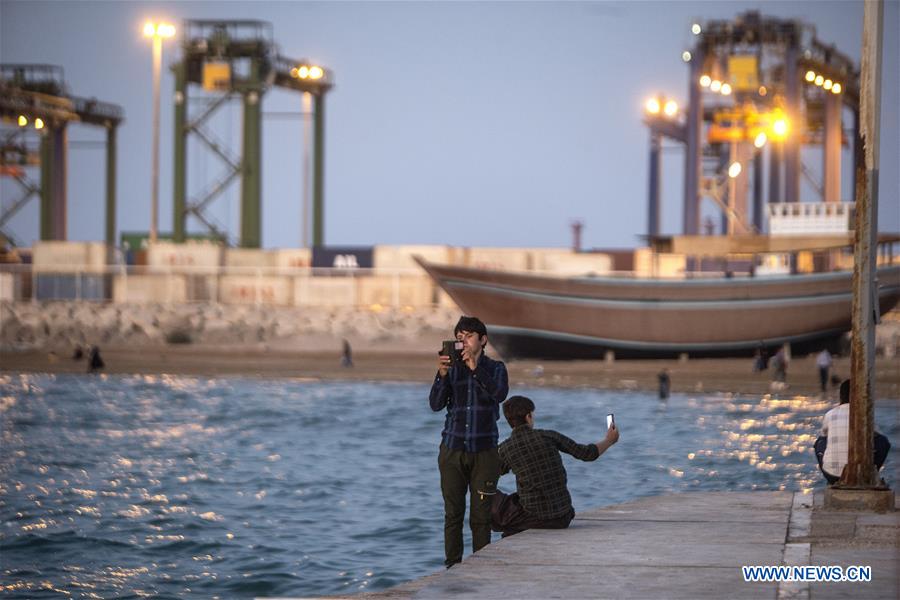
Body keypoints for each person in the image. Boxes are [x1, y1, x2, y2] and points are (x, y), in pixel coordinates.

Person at [429, 316, 509, 568]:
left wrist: (476, 368)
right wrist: (442, 375)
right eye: (459, 337)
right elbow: (435, 404)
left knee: (481, 516)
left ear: (483, 340)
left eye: (469, 336)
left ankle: (480, 568)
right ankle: (452, 568)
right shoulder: (451, 369)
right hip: (452, 449)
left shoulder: (496, 368)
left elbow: (499, 394)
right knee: (453, 514)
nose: (463, 342)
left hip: (485, 451)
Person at [491, 395, 619, 537]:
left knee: (487, 493)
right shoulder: (549, 436)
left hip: (534, 518)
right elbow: (587, 454)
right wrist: (609, 440)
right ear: (528, 416)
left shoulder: (505, 449)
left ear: (509, 421)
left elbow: (490, 475)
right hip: (563, 517)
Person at [814, 379, 891, 485]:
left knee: (820, 441)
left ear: (841, 396)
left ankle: (832, 478)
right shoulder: (865, 414)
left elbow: (823, 437)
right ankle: (872, 473)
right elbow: (881, 439)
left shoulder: (830, 414)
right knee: (882, 441)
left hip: (832, 475)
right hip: (861, 474)